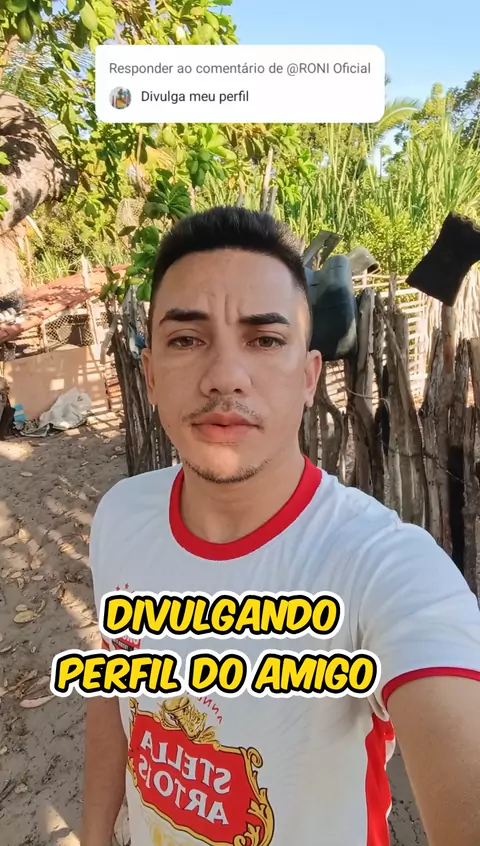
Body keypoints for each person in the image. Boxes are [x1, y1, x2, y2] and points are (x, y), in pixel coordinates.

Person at [82, 206, 480, 846]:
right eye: (186, 339)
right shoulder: (119, 517)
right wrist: (94, 832)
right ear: (150, 375)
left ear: (308, 378)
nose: (224, 376)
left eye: (265, 340)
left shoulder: (380, 567)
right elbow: (112, 693)